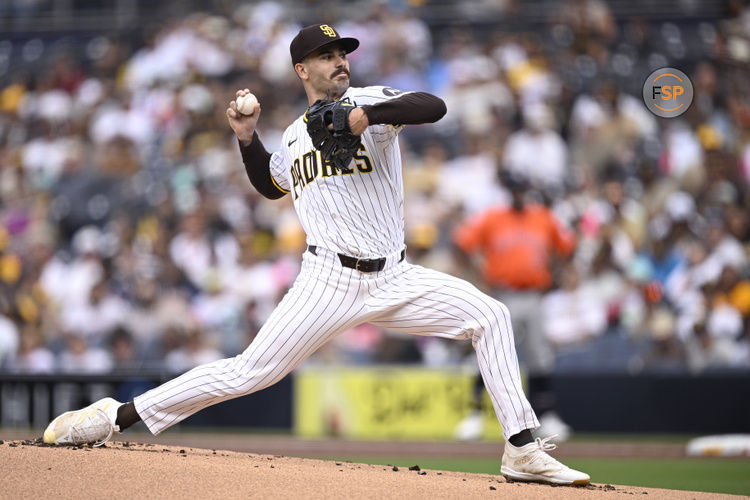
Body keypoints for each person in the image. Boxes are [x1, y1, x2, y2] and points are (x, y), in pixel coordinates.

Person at [42, 23, 589, 486]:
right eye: (325, 56)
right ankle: (115, 415)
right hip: (327, 279)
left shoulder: (371, 102)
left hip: (395, 274)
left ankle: (521, 448)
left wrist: (364, 119)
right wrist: (247, 137)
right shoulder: (295, 135)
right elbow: (271, 184)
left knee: (491, 316)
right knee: (248, 373)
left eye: (342, 53)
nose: (339, 62)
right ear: (301, 69)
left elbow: (434, 105)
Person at [453, 170, 576, 442]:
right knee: (490, 352)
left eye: (523, 190)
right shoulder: (493, 217)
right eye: (515, 190)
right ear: (510, 191)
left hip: (533, 295)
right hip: (503, 294)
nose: (519, 194)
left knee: (540, 356)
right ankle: (475, 415)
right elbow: (461, 243)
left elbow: (568, 246)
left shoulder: (543, 217)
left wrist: (555, 275)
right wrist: (478, 276)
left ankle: (547, 416)